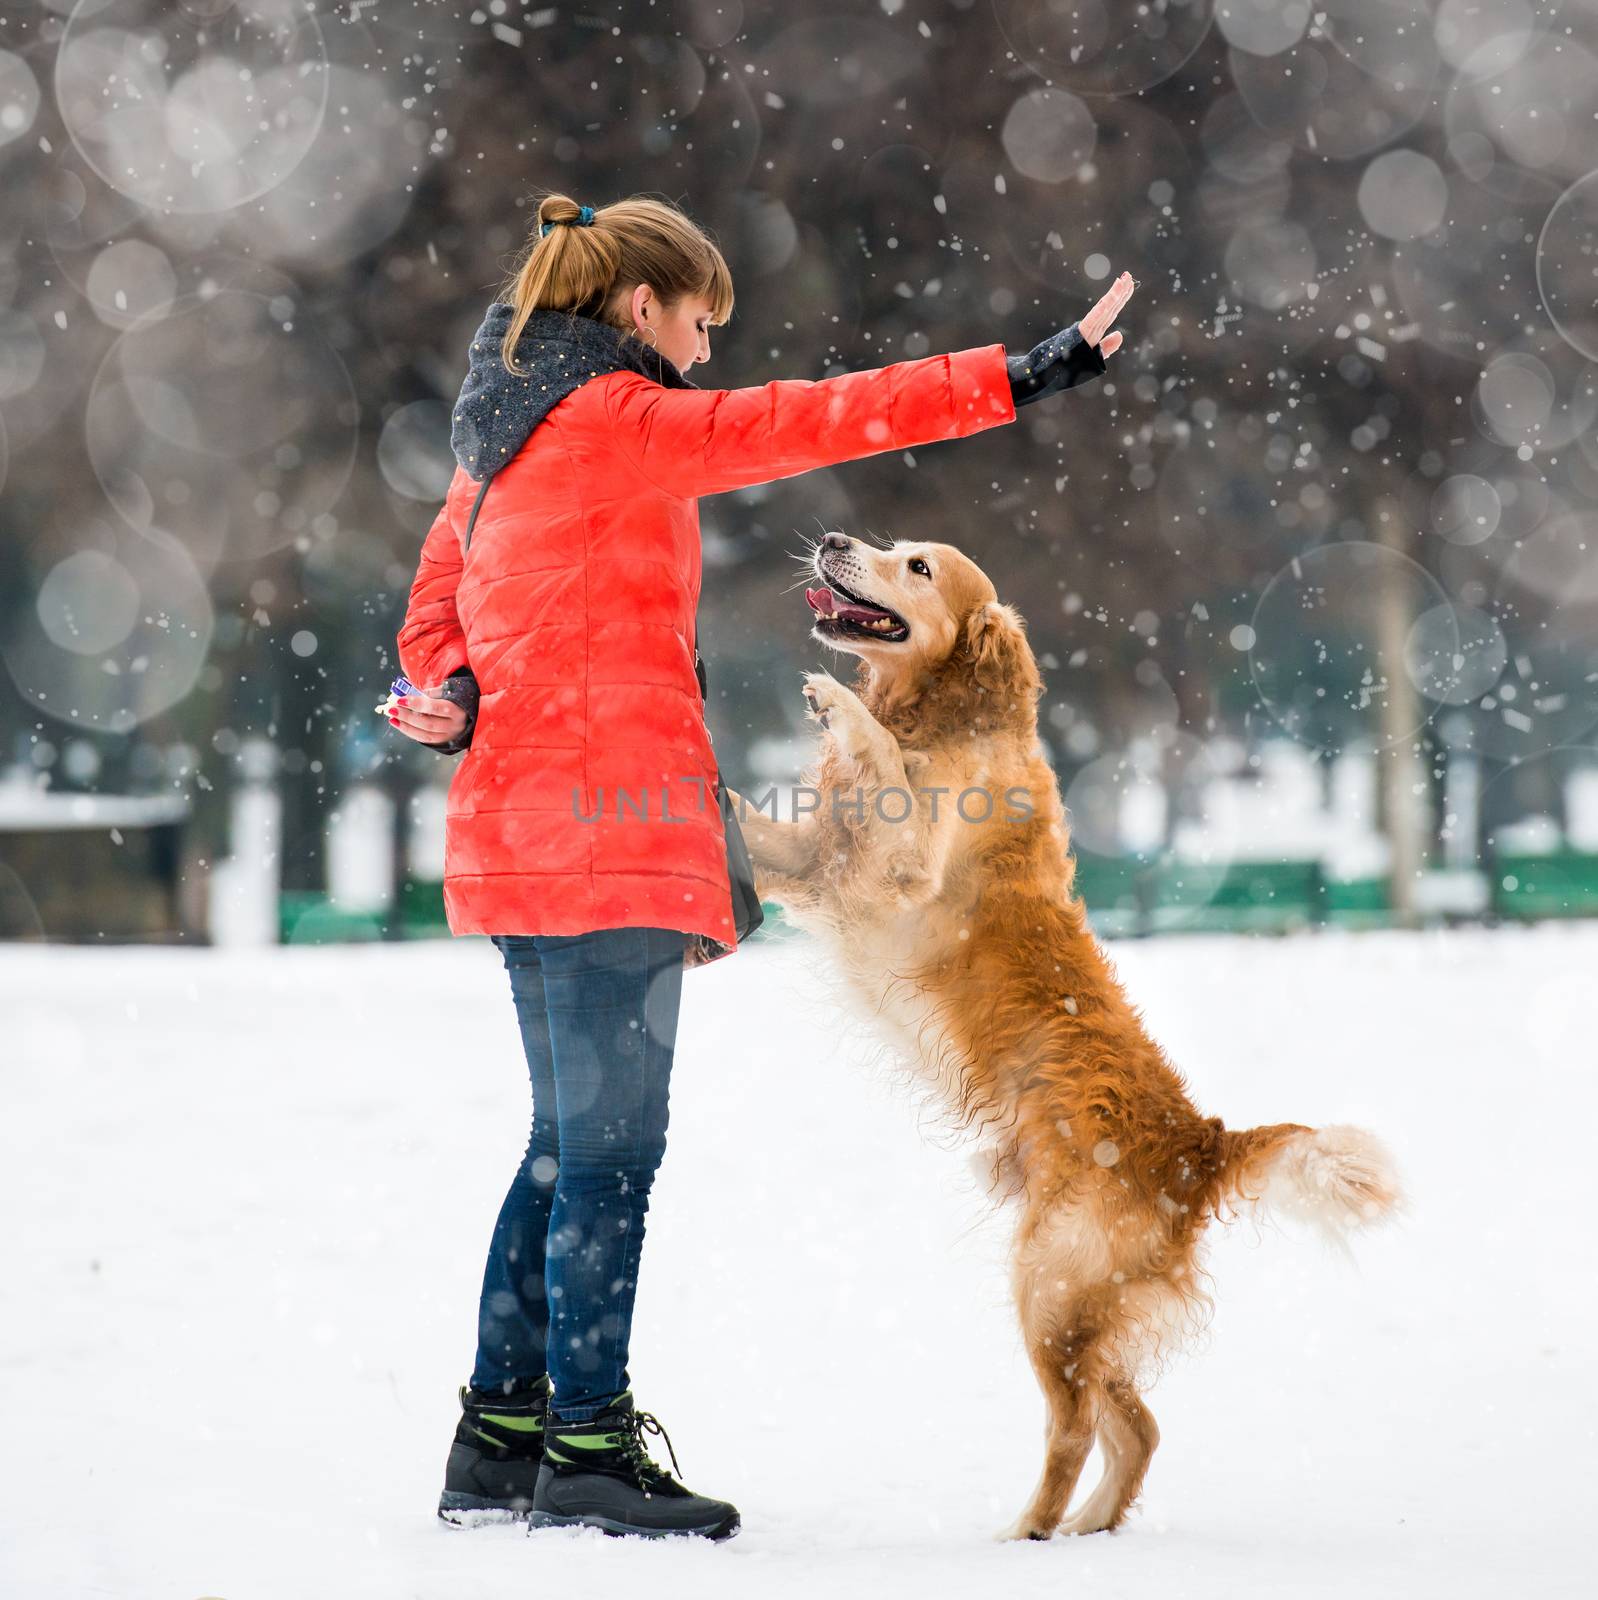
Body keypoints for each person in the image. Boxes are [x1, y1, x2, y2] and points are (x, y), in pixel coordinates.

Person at [389, 191, 1132, 1541]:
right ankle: (590, 1449)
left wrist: (438, 678)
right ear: (635, 312)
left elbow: (438, 596)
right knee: (609, 1153)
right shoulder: (610, 417)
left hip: (520, 831)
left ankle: (500, 1438)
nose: (702, 356)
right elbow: (805, 417)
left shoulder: (490, 438)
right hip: (603, 839)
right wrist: (1020, 374)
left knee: (566, 1148)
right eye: (695, 326)